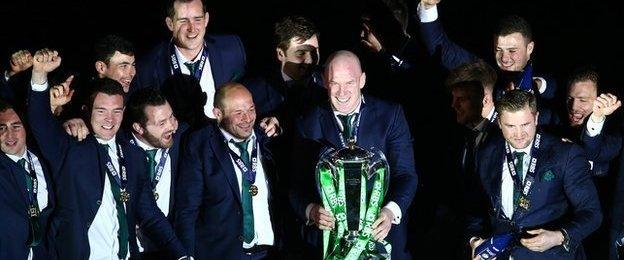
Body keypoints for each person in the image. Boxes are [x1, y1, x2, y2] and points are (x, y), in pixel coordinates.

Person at [27, 49, 188, 259]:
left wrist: (181, 255)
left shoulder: (133, 156)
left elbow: (150, 215)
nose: (109, 119)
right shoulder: (71, 148)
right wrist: (39, 75)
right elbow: (40, 122)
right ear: (87, 110)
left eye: (117, 111)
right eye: (101, 111)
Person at [289, 50, 418, 259]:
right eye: (335, 83)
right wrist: (311, 210)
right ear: (324, 82)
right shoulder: (307, 122)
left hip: (381, 241)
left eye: (349, 82)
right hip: (331, 246)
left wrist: (390, 212)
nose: (342, 92)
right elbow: (296, 185)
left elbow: (406, 175)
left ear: (362, 80)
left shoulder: (390, 115)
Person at [467, 90, 602, 259]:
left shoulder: (565, 154)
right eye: (510, 126)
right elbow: (475, 207)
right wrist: (475, 240)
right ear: (499, 122)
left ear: (536, 118)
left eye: (525, 124)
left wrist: (560, 236)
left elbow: (592, 213)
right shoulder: (486, 152)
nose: (518, 134)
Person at [175, 82, 281, 259]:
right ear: (218, 114)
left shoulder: (267, 137)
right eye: (238, 113)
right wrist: (186, 255)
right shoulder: (200, 144)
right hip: (222, 252)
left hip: (267, 252)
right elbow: (187, 208)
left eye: (251, 109)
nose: (247, 118)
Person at [416, 0, 557, 100]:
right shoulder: (483, 69)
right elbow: (441, 48)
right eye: (499, 49)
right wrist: (428, 7)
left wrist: (535, 85)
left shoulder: (542, 76)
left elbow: (558, 90)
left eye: (512, 50)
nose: (504, 58)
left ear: (529, 48)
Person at [134, 0, 246, 119]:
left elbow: (253, 91)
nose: (192, 28)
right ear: (170, 23)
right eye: (183, 21)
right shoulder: (148, 66)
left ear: (206, 19)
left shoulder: (232, 49)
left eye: (197, 19)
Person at [123, 87, 189, 258]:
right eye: (161, 123)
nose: (171, 127)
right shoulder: (120, 147)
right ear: (139, 127)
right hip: (131, 249)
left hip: (171, 246)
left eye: (172, 117)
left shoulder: (186, 137)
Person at [0, 100, 55, 259]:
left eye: (16, 126)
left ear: (26, 129)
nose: (9, 135)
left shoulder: (44, 159)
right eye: (2, 128)